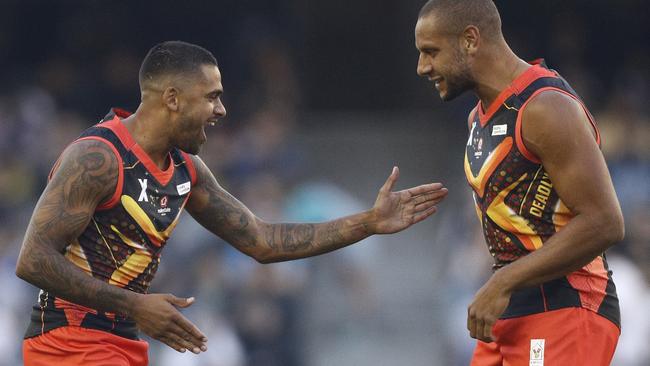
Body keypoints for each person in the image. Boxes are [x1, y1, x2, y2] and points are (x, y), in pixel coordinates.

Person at [15, 40, 449, 366]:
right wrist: (134, 305)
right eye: (212, 96)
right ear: (171, 98)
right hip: (67, 345)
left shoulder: (186, 170)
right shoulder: (98, 158)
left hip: (123, 342)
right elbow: (32, 260)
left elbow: (262, 239)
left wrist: (368, 223)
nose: (221, 110)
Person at [414, 1, 624, 365]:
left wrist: (502, 282)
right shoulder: (476, 120)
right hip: (508, 313)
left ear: (469, 40)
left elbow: (605, 222)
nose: (422, 67)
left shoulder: (546, 107)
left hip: (567, 305)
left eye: (431, 52)